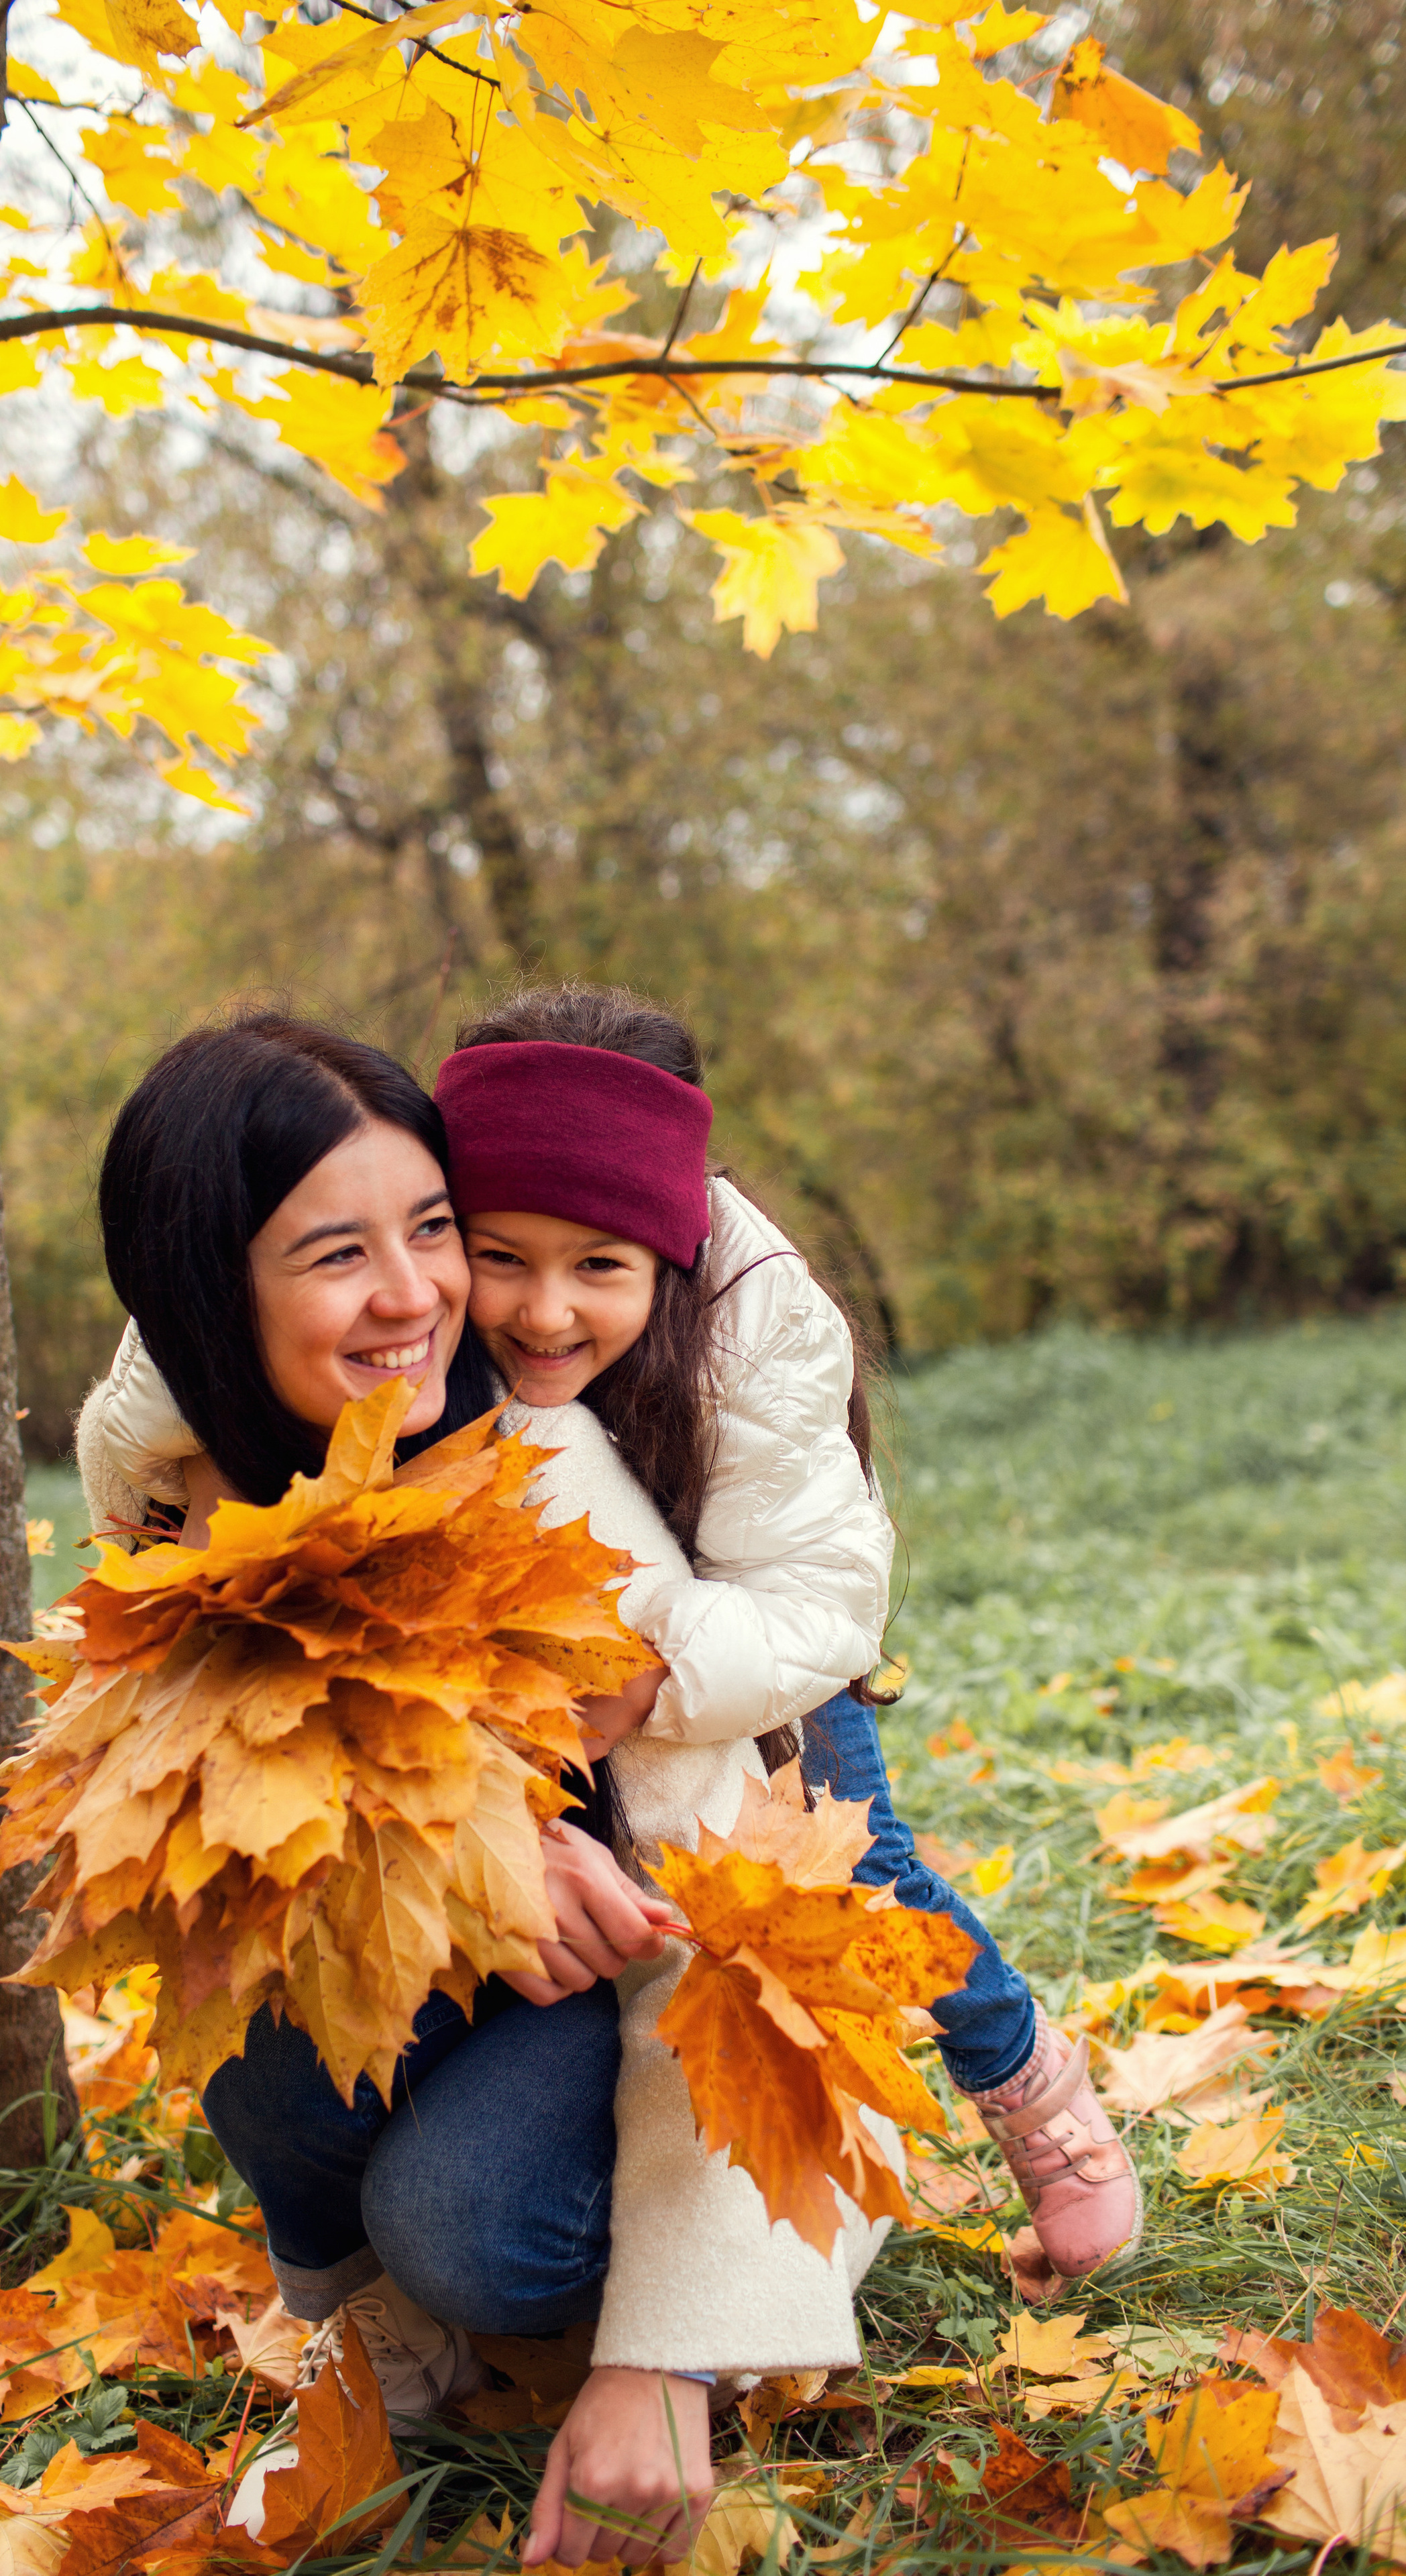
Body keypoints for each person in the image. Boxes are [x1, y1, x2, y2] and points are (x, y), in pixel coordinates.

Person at [99, 985, 1143, 2288]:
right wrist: (166, 1514)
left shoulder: (753, 1311)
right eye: (496, 1254)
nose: (540, 1314)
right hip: (518, 1657)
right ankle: (420, 2252)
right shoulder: (400, 1283)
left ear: (666, 1239)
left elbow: (821, 1594)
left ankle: (1016, 2073)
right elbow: (152, 1389)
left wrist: (663, 1673)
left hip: (745, 1639)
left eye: (597, 1265)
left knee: (855, 1864)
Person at [80, 1012, 900, 2570]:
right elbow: (196, 1797)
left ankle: (737, 2259)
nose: (419, 1296)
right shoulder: (194, 1505)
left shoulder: (547, 1478)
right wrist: (480, 1844)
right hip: (501, 1978)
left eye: (431, 1228)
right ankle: (370, 2348)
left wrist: (662, 2358)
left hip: (697, 1981)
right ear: (211, 1294)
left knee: (466, 2223)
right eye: (336, 1254)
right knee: (254, 1989)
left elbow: (739, 1914)